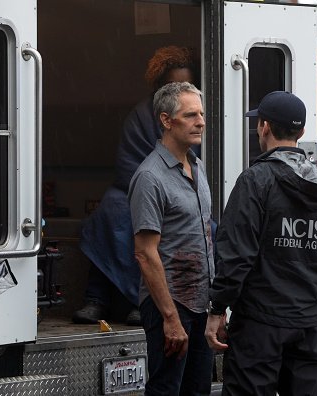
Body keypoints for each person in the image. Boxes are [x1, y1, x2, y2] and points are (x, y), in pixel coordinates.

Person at [204, 91, 317, 395]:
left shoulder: (255, 181)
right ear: (302, 132)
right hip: (309, 325)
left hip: (260, 324)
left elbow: (236, 255)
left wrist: (218, 308)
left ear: (264, 127)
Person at [73, 46, 195, 325]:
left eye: (184, 85)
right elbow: (128, 162)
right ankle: (96, 299)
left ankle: (144, 301)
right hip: (133, 187)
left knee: (171, 223)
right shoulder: (141, 115)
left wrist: (169, 193)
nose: (177, 92)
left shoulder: (195, 115)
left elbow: (196, 165)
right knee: (110, 213)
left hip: (178, 193)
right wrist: (149, 191)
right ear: (159, 85)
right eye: (171, 85)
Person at [129, 82, 214, 395]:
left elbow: (205, 236)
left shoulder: (198, 166)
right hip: (170, 305)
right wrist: (170, 318)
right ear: (166, 120)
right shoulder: (149, 177)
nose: (201, 122)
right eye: (191, 115)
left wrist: (214, 309)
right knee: (166, 389)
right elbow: (145, 253)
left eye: (201, 114)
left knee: (199, 390)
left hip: (199, 304)